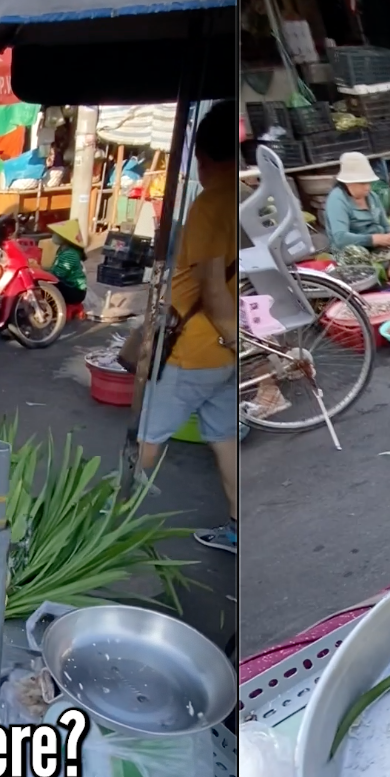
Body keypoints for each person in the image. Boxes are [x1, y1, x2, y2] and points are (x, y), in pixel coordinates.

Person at [135, 101, 237, 554]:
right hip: (225, 353)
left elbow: (212, 287)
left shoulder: (210, 203)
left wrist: (234, 336)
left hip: (196, 348)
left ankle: (114, 522)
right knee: (223, 437)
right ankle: (236, 527)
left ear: (202, 157)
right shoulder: (243, 197)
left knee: (149, 434)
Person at [323, 152, 390, 281]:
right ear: (348, 183)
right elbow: (340, 238)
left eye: (368, 183)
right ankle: (373, 278)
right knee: (354, 251)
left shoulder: (372, 196)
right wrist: (372, 239)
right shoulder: (337, 199)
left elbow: (385, 223)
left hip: (377, 249)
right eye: (362, 184)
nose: (367, 187)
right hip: (353, 252)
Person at [47, 218, 89, 308]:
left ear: (64, 238)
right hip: (70, 286)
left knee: (47, 285)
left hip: (75, 291)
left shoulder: (70, 253)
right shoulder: (63, 250)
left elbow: (58, 274)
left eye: (56, 234)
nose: (53, 236)